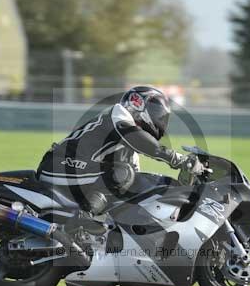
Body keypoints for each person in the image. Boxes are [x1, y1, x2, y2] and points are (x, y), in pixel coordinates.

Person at [36, 86, 204, 216]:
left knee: (133, 182)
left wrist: (178, 187)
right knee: (122, 173)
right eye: (156, 113)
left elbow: (134, 187)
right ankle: (84, 220)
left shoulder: (131, 149)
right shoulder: (118, 115)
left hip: (78, 171)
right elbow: (139, 140)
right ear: (137, 105)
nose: (160, 121)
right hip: (58, 164)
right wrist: (179, 160)